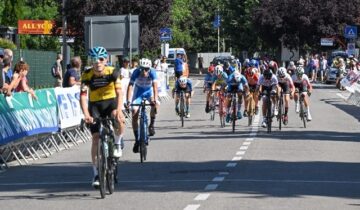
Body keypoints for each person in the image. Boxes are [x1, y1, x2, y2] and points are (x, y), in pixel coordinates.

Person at [80, 46, 125, 187]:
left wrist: (119, 109)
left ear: (105, 60)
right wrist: (86, 114)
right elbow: (82, 96)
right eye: (95, 60)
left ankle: (117, 142)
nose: (98, 62)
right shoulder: (86, 74)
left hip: (111, 103)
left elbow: (119, 93)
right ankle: (96, 174)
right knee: (95, 138)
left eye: (101, 59)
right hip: (95, 105)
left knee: (118, 118)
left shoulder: (113, 72)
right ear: (91, 61)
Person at [126, 58, 159, 153]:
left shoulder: (153, 72)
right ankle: (137, 140)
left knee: (155, 104)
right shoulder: (136, 72)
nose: (145, 71)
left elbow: (155, 87)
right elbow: (130, 86)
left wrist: (155, 99)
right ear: (139, 68)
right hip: (138, 93)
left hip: (149, 92)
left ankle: (151, 124)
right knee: (134, 112)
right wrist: (128, 101)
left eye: (147, 69)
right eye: (142, 69)